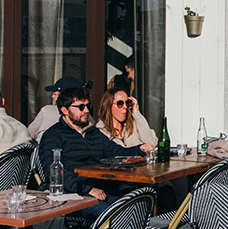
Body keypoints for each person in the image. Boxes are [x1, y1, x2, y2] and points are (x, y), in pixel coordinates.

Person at [38, 86, 149, 217]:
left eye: (87, 106)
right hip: (71, 194)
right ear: (64, 110)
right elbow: (53, 173)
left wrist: (140, 149)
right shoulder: (53, 136)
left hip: (100, 189)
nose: (86, 111)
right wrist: (89, 189)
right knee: (109, 215)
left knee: (135, 209)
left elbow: (115, 151)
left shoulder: (92, 132)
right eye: (80, 107)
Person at [95, 84, 157, 150]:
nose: (125, 107)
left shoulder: (134, 124)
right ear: (108, 106)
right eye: (120, 103)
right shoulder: (100, 131)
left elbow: (151, 143)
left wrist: (137, 113)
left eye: (127, 103)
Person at [28, 75, 89, 142]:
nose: (52, 96)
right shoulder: (87, 118)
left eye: (55, 93)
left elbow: (30, 133)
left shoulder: (47, 111)